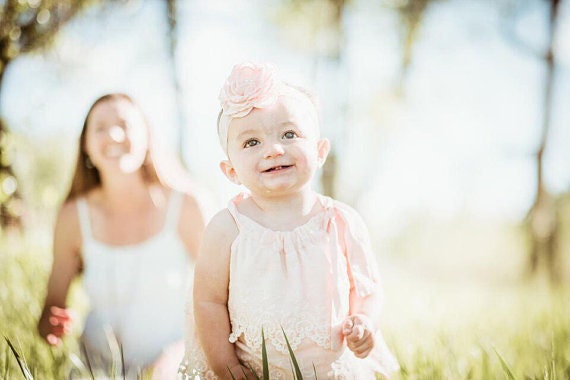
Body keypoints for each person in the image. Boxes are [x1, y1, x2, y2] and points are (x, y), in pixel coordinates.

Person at [178, 62, 399, 379]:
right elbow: (209, 302)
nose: (274, 149)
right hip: (255, 368)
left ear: (320, 151)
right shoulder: (228, 227)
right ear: (231, 171)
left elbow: (367, 289)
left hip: (330, 371)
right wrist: (227, 366)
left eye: (290, 134)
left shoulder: (340, 221)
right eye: (251, 142)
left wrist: (365, 321)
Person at [37, 93, 207, 379]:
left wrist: (183, 353)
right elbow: (47, 317)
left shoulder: (186, 206)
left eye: (125, 125)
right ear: (86, 146)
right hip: (95, 369)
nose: (114, 134)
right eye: (100, 127)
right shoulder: (72, 216)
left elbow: (219, 301)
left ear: (147, 137)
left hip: (175, 367)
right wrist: (53, 326)